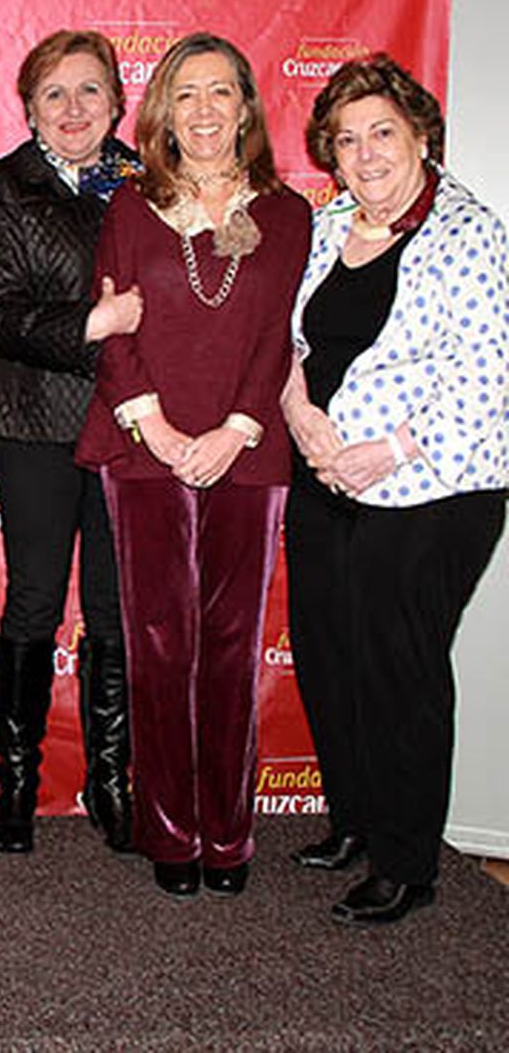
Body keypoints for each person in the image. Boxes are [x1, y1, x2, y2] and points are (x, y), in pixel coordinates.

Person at [76, 32, 309, 898]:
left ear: (246, 107)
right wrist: (165, 436)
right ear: (162, 113)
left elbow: (279, 336)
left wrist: (237, 429)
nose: (204, 110)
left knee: (230, 649)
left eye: (220, 93)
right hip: (144, 453)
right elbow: (113, 334)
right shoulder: (131, 211)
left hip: (247, 456)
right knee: (158, 649)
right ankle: (170, 833)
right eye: (186, 94)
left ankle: (228, 835)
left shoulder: (285, 214)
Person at [283, 55, 508, 925]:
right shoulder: (327, 222)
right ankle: (354, 822)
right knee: (329, 654)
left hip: (432, 491)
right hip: (326, 474)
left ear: (421, 134)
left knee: (399, 672)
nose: (367, 152)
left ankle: (407, 859)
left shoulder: (467, 232)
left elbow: (485, 377)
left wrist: (391, 450)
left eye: (383, 131)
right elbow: (296, 345)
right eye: (347, 138)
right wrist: (300, 414)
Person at [0, 30, 143, 854]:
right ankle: (17, 784)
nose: (73, 110)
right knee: (35, 601)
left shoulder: (154, 181)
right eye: (54, 95)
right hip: (36, 421)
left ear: (117, 100)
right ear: (29, 106)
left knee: (115, 608)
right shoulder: (5, 186)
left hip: (133, 425)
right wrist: (93, 323)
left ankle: (110, 783)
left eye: (89, 91)